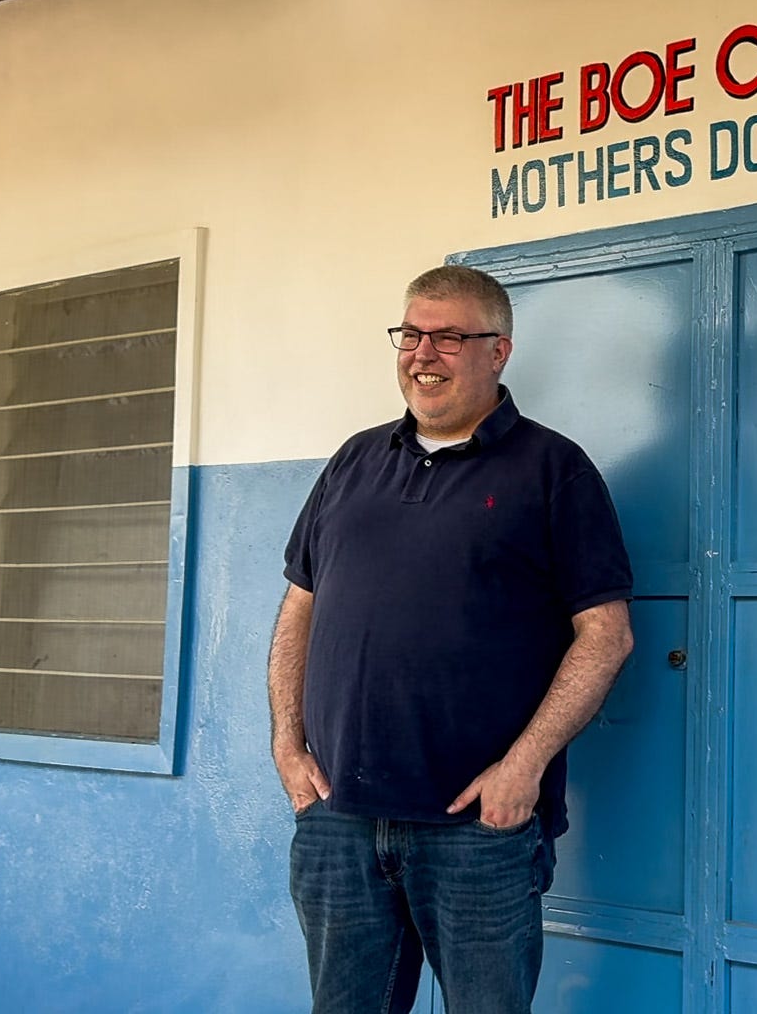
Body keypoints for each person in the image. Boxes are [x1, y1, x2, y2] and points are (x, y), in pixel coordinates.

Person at [267, 264, 635, 1014]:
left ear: (498, 351)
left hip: (479, 831)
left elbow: (606, 636)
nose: (423, 354)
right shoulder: (354, 462)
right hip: (340, 821)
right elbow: (299, 606)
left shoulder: (553, 470)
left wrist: (523, 768)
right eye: (410, 335)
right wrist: (286, 743)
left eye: (448, 337)